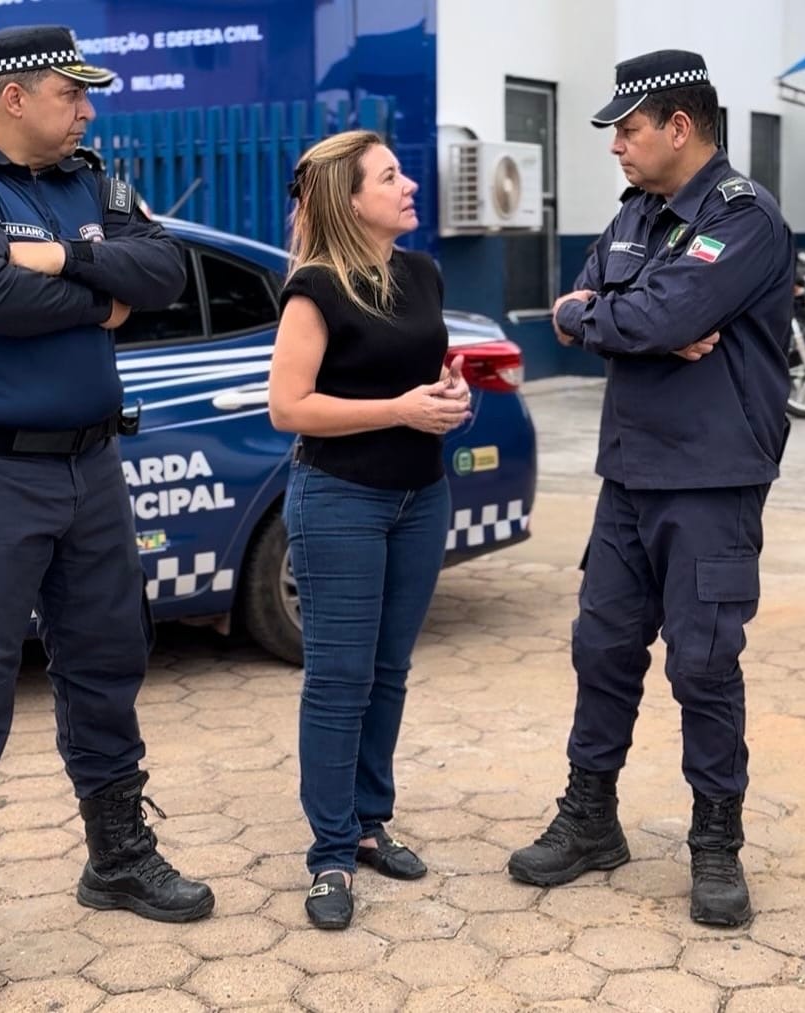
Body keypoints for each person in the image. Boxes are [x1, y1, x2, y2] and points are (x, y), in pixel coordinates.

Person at [0, 25, 214, 1009]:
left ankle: (118, 855)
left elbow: (165, 272)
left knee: (105, 663)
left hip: (93, 470)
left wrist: (65, 253)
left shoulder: (89, 179)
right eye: (71, 95)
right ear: (13, 98)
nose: (88, 110)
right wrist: (99, 296)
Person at [507, 49, 793, 928]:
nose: (615, 148)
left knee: (703, 665)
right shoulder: (637, 215)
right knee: (602, 651)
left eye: (627, 130)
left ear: (679, 127)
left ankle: (716, 842)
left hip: (709, 478)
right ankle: (589, 817)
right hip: (626, 474)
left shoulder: (742, 219)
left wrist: (620, 318)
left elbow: (657, 315)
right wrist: (600, 316)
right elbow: (587, 309)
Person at [268, 130, 470, 930]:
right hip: (340, 498)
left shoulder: (420, 272)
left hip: (420, 494)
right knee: (338, 678)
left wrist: (450, 398)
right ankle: (328, 851)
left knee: (387, 670)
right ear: (349, 201)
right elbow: (289, 406)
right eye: (390, 176)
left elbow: (427, 377)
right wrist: (400, 410)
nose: (410, 184)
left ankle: (369, 821)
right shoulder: (315, 288)